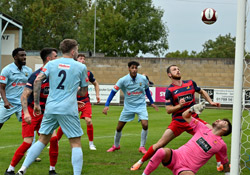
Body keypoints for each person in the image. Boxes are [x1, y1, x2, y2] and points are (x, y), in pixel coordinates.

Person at [15, 39, 88, 175]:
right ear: (73, 51)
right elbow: (83, 92)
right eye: (77, 49)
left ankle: (22, 169)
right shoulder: (81, 67)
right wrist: (71, 93)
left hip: (51, 108)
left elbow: (37, 80)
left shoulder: (51, 64)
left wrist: (36, 103)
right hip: (68, 109)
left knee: (43, 139)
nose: (77, 52)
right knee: (75, 142)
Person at [131, 64, 222, 171]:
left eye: (178, 69)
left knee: (214, 135)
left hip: (193, 121)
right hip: (178, 122)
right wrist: (180, 106)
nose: (177, 70)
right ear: (169, 75)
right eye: (174, 70)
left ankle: (219, 165)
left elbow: (202, 92)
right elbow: (168, 110)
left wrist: (211, 102)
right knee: (160, 144)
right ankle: (140, 162)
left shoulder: (190, 83)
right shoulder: (170, 90)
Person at [4, 48, 59, 175]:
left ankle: (52, 170)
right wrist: (27, 113)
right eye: (55, 56)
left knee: (54, 139)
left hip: (46, 113)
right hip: (31, 111)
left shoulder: (56, 75)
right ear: (49, 59)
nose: (57, 59)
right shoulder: (36, 75)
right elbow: (24, 96)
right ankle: (10, 169)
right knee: (28, 142)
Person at [142, 102, 231, 175]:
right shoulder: (202, 127)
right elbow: (185, 115)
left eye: (223, 122)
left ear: (224, 129)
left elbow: (225, 162)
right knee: (161, 151)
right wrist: (192, 109)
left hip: (186, 169)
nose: (218, 120)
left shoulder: (221, 145)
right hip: (176, 156)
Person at [103, 61, 158, 154]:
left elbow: (147, 90)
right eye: (132, 68)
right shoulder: (123, 80)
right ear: (128, 69)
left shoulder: (143, 79)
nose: (134, 70)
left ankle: (142, 147)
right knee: (119, 128)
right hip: (128, 107)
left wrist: (151, 102)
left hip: (141, 106)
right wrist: (107, 104)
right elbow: (113, 92)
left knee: (145, 125)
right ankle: (116, 146)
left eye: (136, 68)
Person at [57, 53, 100, 150]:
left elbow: (96, 83)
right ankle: (56, 141)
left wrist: (97, 95)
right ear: (76, 60)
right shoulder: (71, 72)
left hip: (85, 101)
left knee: (88, 121)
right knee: (65, 121)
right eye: (81, 58)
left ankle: (91, 144)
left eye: (84, 59)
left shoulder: (88, 73)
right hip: (73, 101)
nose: (83, 60)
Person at [0, 48, 32, 130]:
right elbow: (1, 87)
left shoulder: (28, 70)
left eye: (25, 55)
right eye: (22, 55)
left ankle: (31, 143)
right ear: (15, 57)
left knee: (29, 123)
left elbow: (30, 87)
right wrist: (6, 101)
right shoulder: (7, 70)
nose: (24, 57)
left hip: (22, 103)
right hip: (9, 102)